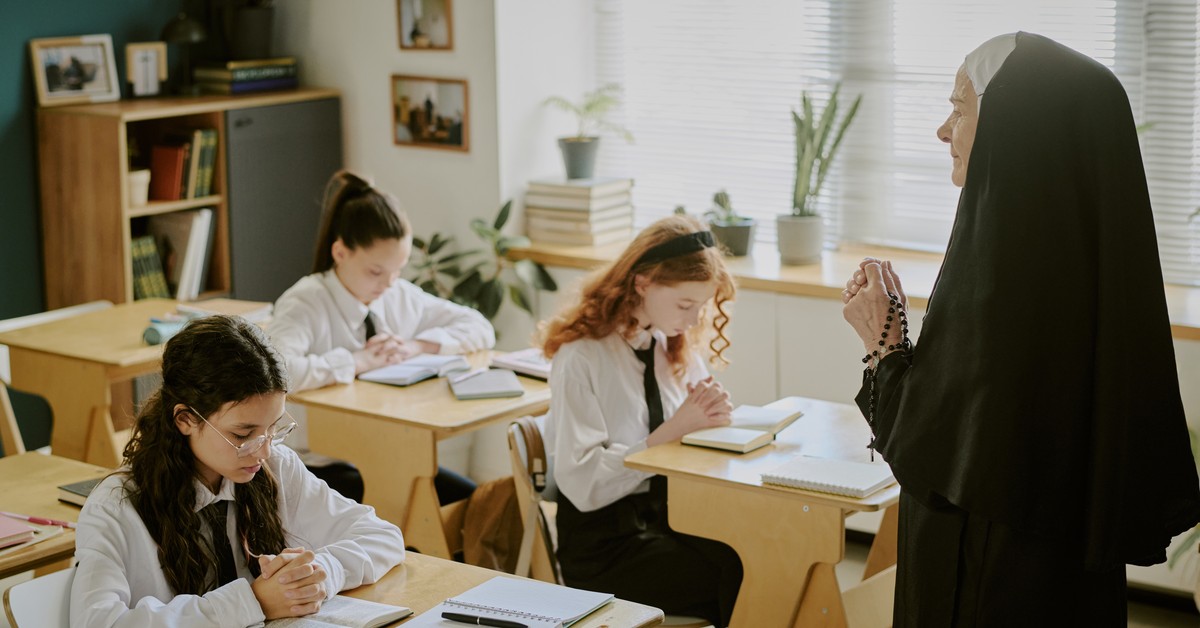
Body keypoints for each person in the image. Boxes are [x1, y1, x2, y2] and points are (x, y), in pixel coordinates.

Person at [841, 32, 1200, 626]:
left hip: (985, 580)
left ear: (1017, 128)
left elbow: (941, 462)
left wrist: (882, 342)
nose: (941, 130)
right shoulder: (1082, 266)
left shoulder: (1006, 271)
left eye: (959, 108)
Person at [71, 316, 405, 627]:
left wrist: (317, 574)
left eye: (273, 429)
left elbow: (383, 537)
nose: (263, 450)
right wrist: (254, 602)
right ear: (185, 419)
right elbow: (99, 623)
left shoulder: (275, 467)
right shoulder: (116, 507)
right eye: (242, 435)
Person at [541, 215, 743, 627]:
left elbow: (697, 425)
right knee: (736, 577)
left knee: (752, 556)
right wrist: (669, 434)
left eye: (700, 308)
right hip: (605, 547)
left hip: (669, 521)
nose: (692, 320)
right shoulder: (583, 357)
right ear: (643, 283)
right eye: (685, 305)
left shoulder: (669, 343)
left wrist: (715, 417)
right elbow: (582, 483)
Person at [270, 170, 494, 505]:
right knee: (417, 512)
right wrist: (357, 361)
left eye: (398, 269)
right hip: (318, 465)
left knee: (478, 502)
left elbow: (479, 327)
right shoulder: (306, 301)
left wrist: (417, 345)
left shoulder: (397, 295)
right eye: (376, 271)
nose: (388, 283)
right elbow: (277, 374)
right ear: (340, 253)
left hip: (388, 454)